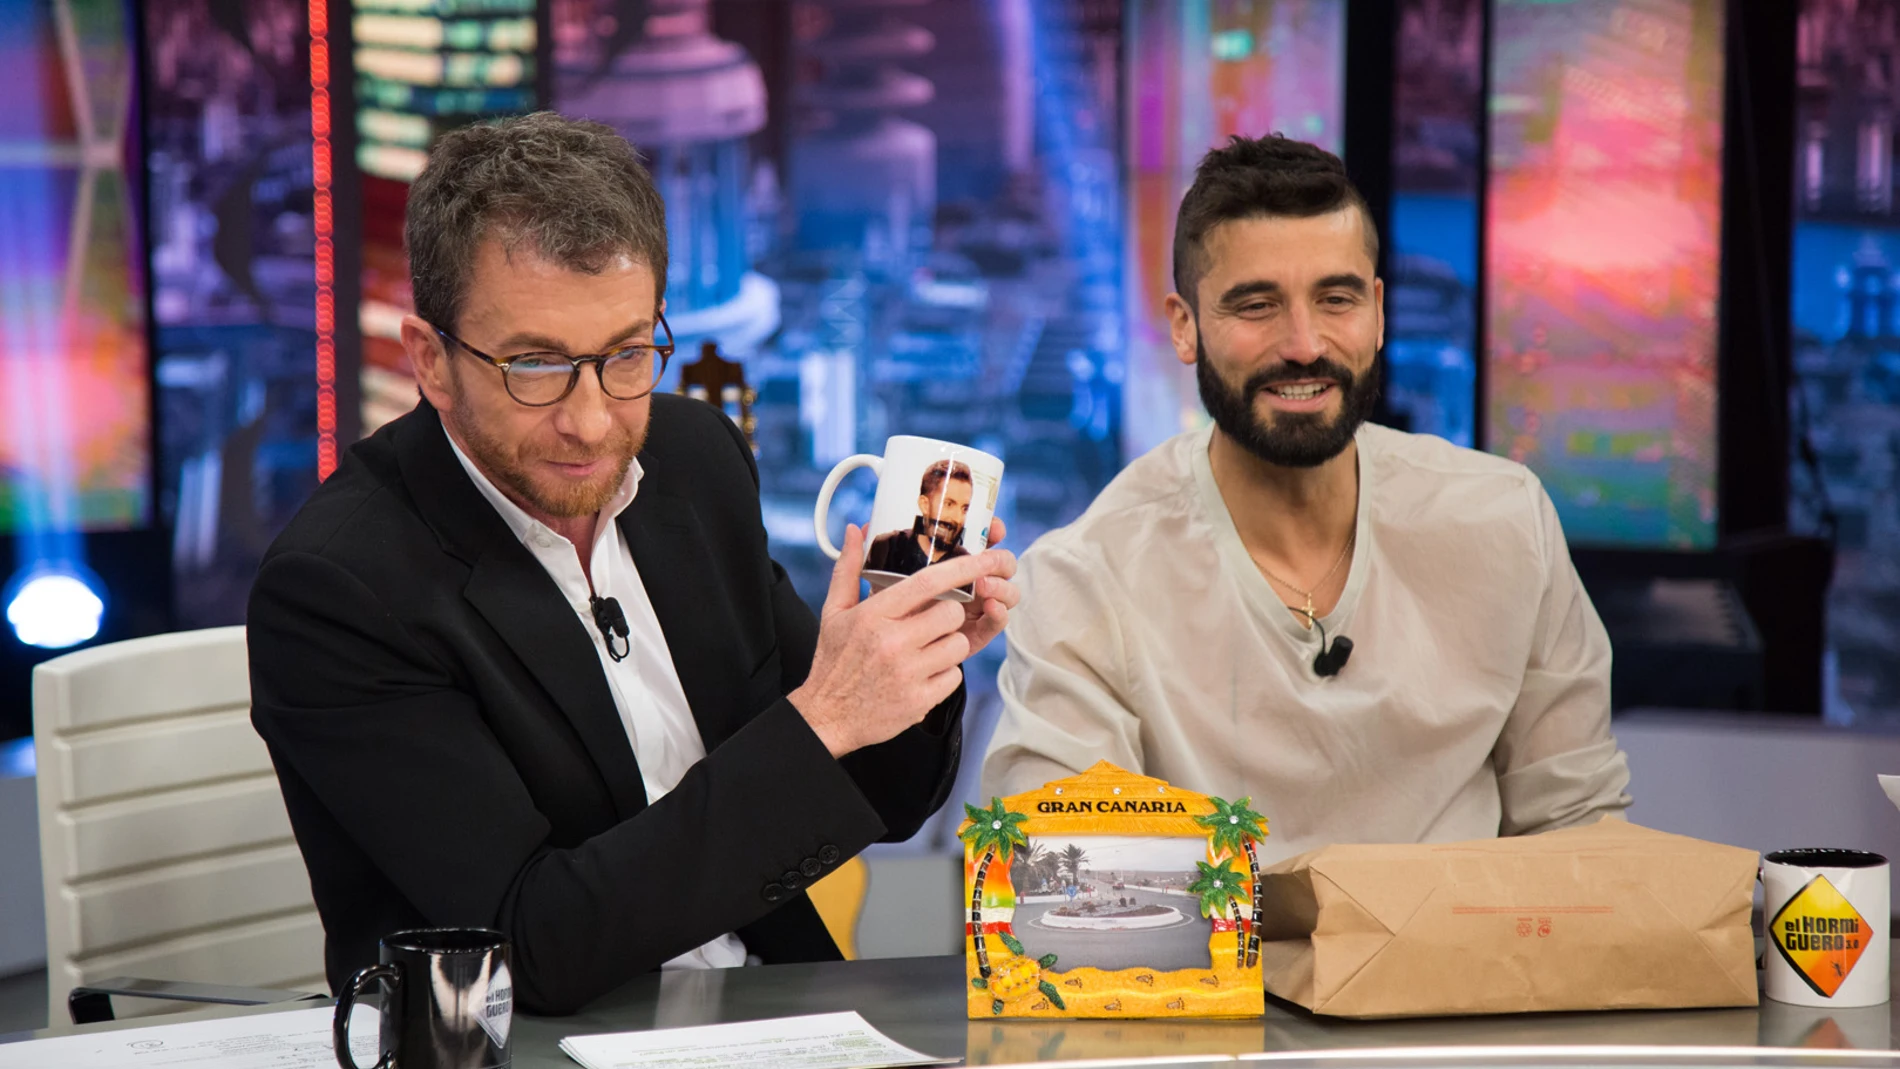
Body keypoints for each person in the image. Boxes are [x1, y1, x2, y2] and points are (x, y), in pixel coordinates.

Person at [247, 113, 1019, 1015]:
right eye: (535, 366)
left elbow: (881, 802)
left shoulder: (693, 463)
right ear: (431, 361)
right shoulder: (342, 589)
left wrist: (911, 667)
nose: (590, 421)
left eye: (624, 356)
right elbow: (529, 947)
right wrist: (823, 718)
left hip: (762, 1011)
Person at [980, 134, 1629, 862]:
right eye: (1256, 305)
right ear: (1185, 325)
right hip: (1212, 977)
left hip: (1464, 972)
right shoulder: (1086, 577)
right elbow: (1056, 879)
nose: (1302, 343)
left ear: (1378, 312)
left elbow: (1580, 834)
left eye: (1336, 298)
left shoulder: (1505, 522)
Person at [866, 460, 975, 576]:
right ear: (925, 505)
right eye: (949, 504)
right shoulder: (887, 545)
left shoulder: (967, 564)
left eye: (964, 509)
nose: (958, 519)